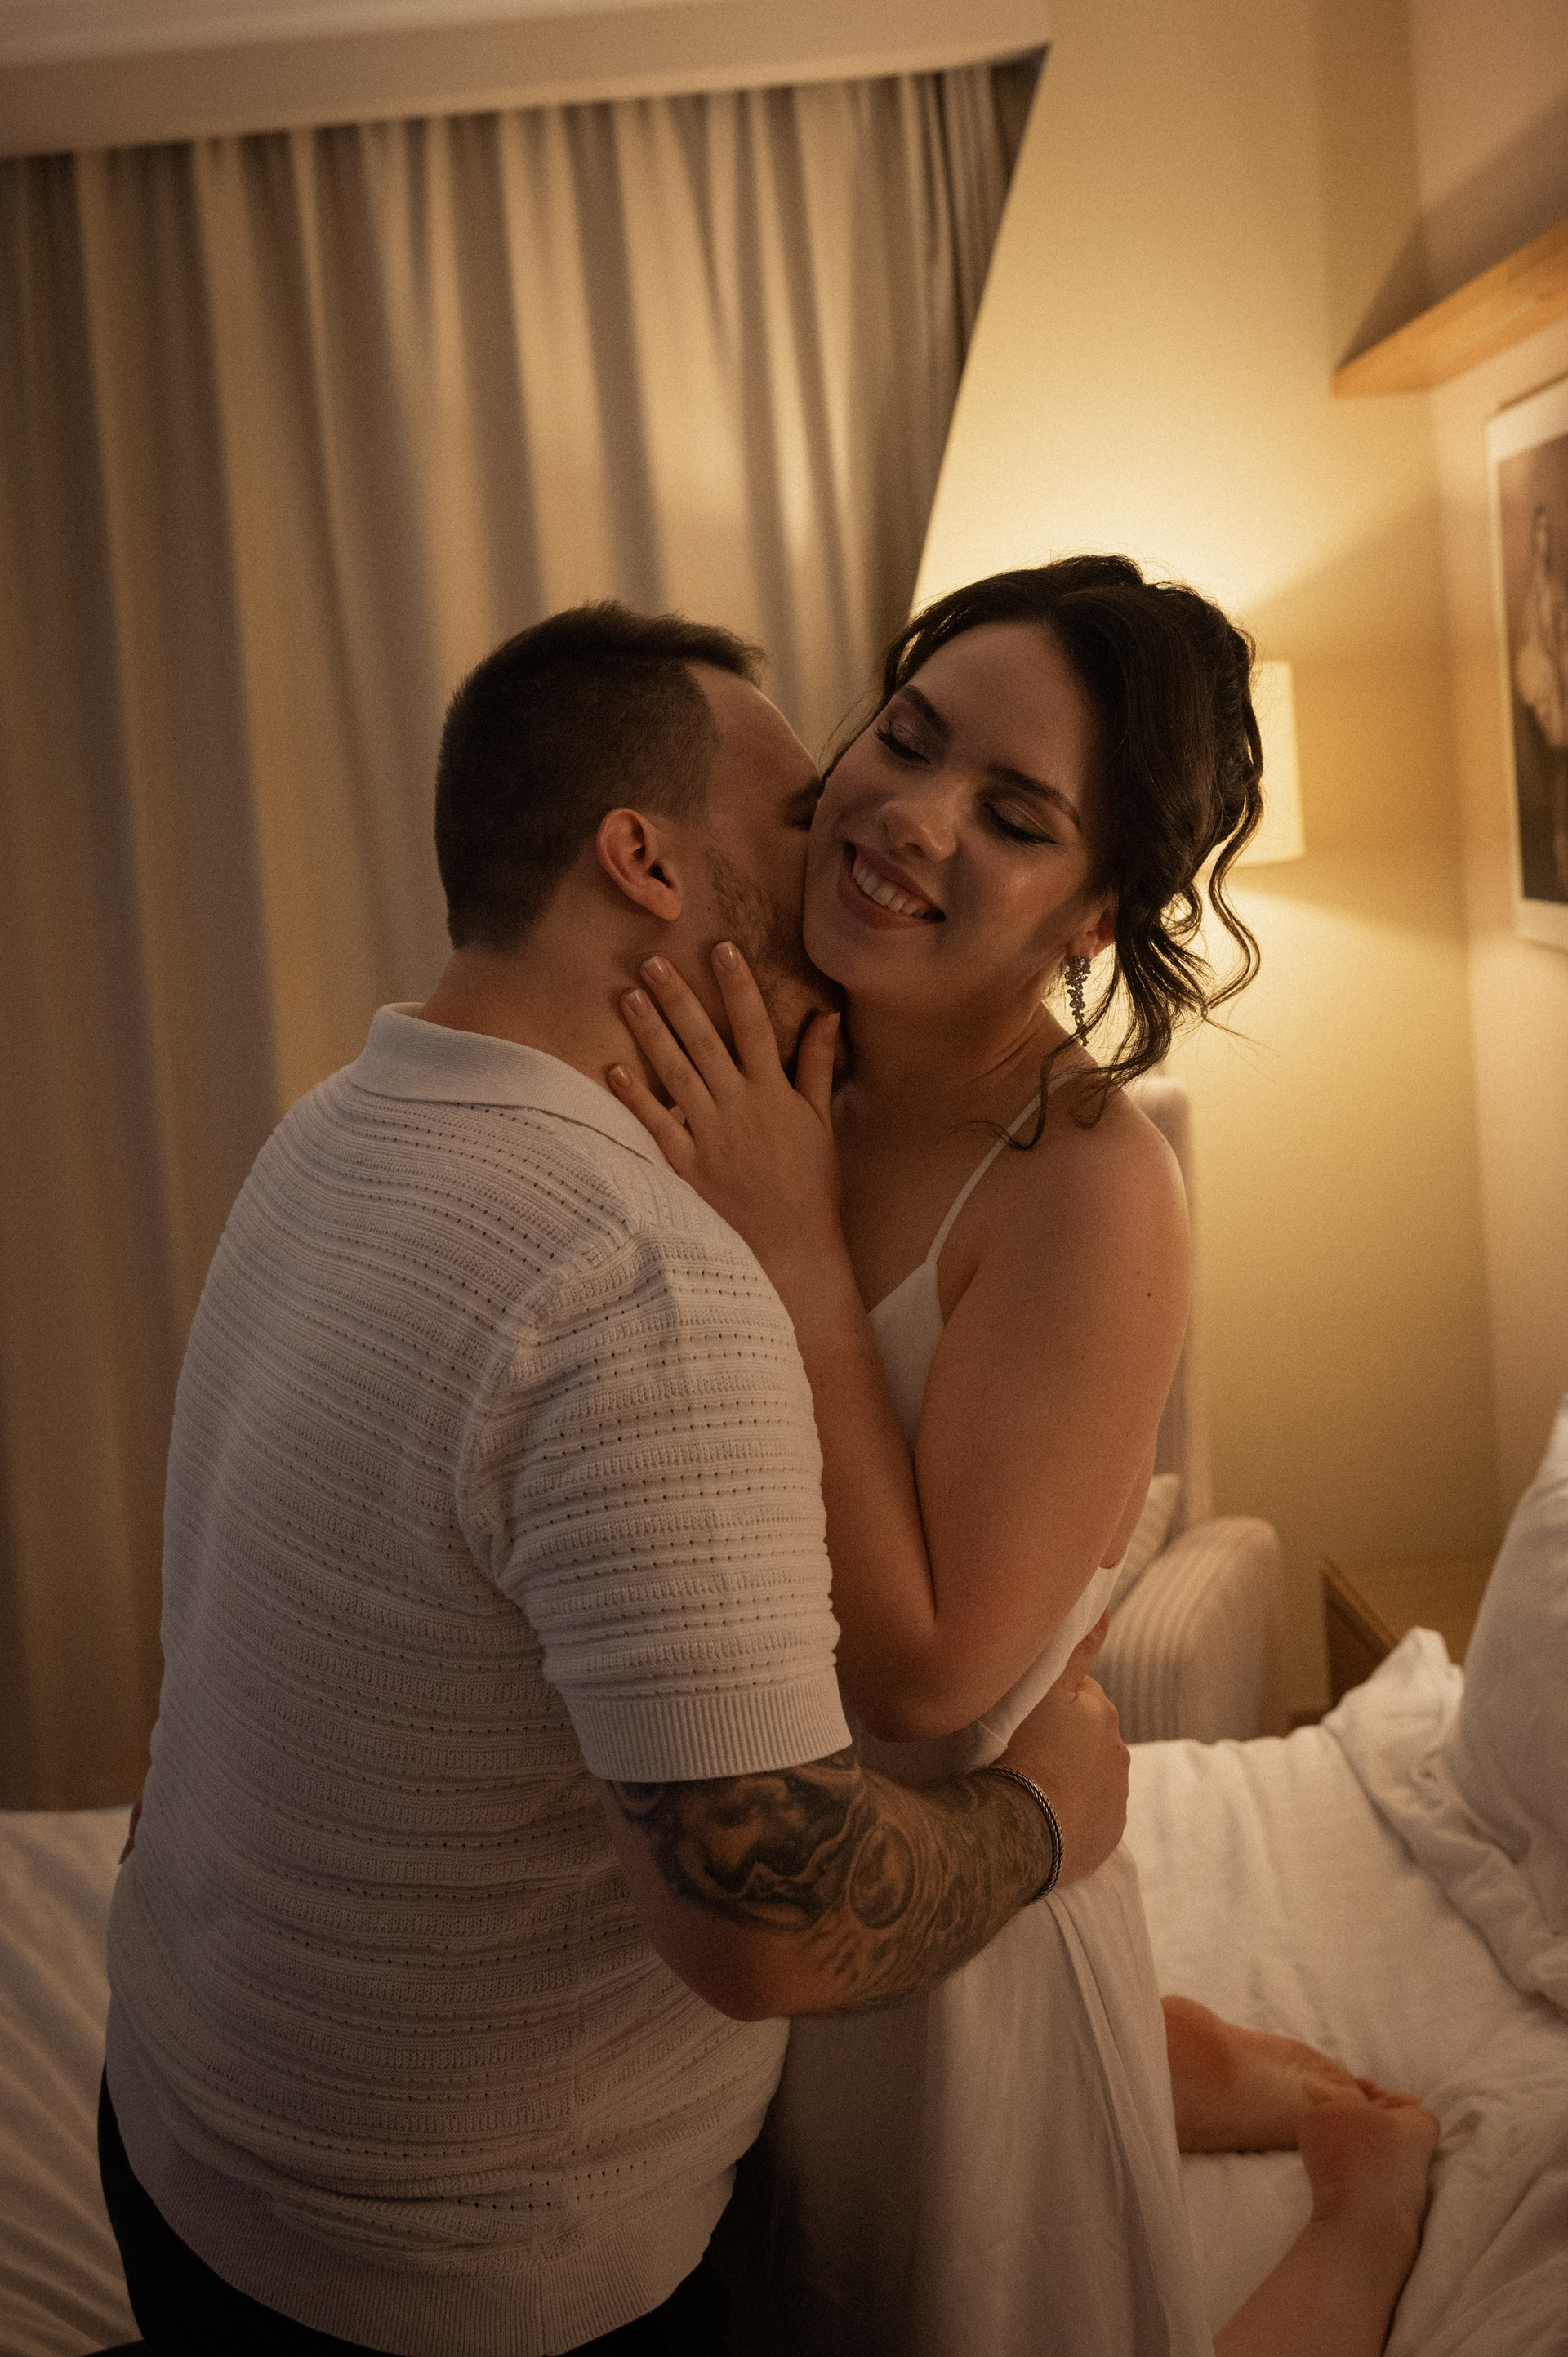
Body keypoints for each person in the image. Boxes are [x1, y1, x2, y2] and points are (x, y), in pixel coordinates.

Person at [100, 603, 1135, 2357]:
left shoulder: (333, 1125)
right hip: (452, 2277)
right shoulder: (637, 1278)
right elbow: (770, 1922)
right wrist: (1044, 1816)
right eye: (802, 810)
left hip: (173, 2129)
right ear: (645, 861)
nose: (855, 840)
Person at [609, 558, 1441, 2357]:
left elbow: (927, 1674)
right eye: (908, 738)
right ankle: (1199, 2060)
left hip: (945, 1944)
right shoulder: (768, 1047)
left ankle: (1368, 2197)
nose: (911, 819)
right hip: (737, 1899)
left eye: (1016, 817)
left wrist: (794, 1249)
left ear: (1092, 917)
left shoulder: (1090, 1190)